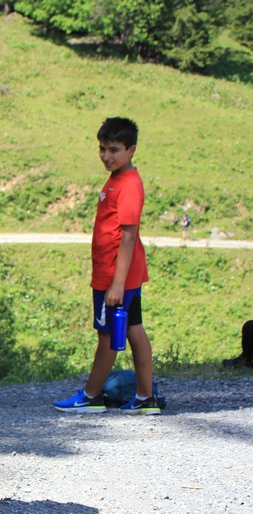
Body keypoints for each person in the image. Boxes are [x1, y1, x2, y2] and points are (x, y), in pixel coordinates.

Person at [54, 117, 160, 415]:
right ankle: (145, 398)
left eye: (114, 150)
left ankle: (91, 396)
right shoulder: (116, 179)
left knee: (107, 335)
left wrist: (117, 284)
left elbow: (128, 237)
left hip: (115, 277)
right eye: (102, 149)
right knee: (133, 328)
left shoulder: (129, 185)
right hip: (118, 274)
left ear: (131, 150)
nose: (106, 156)